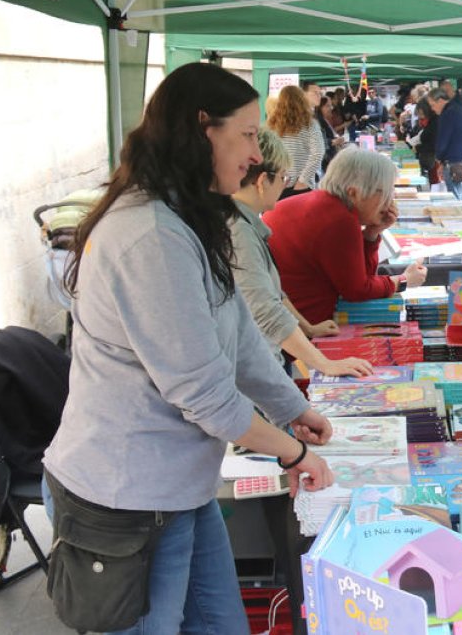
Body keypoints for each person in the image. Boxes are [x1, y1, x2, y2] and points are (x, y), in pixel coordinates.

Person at [43, 62, 334, 634]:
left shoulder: (189, 214)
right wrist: (292, 451)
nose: (256, 154)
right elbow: (203, 394)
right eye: (247, 134)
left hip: (178, 489)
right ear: (204, 128)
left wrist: (292, 408)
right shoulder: (152, 234)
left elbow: (240, 334)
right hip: (125, 501)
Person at [229, 130, 373, 377]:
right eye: (284, 177)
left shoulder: (248, 224)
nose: (286, 184)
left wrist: (308, 328)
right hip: (255, 366)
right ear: (263, 181)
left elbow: (275, 293)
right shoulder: (239, 233)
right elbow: (266, 312)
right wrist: (324, 363)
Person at [265, 148, 427, 325]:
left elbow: (356, 277)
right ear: (354, 193)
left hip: (282, 321)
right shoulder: (339, 219)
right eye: (384, 193)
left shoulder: (322, 204)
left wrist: (371, 233)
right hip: (305, 327)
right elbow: (358, 290)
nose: (389, 202)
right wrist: (402, 281)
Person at [267, 85, 324, 198]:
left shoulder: (272, 124)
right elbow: (318, 153)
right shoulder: (310, 124)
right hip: (301, 185)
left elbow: (268, 154)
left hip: (278, 183)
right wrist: (303, 180)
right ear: (302, 100)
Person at [428, 87, 462, 207]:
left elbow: (442, 141)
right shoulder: (460, 108)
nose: (432, 109)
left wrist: (438, 158)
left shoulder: (447, 113)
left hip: (456, 163)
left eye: (433, 105)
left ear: (440, 101)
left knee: (455, 200)